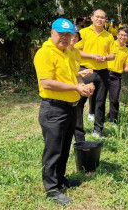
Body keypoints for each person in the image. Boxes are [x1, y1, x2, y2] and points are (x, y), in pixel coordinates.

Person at [33, 18, 93, 205]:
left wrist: (83, 86)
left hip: (70, 107)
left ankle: (60, 179)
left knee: (65, 147)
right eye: (61, 34)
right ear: (52, 33)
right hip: (54, 108)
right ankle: (51, 188)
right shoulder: (44, 54)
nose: (64, 38)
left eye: (68, 35)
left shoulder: (69, 53)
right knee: (53, 149)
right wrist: (75, 89)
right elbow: (47, 82)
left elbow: (76, 75)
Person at [75, 9, 116, 139]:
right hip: (85, 71)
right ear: (91, 18)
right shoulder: (83, 32)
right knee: (79, 102)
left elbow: (113, 55)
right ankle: (77, 131)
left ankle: (98, 130)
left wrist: (105, 58)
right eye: (97, 17)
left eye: (102, 17)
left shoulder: (108, 36)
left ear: (105, 20)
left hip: (103, 72)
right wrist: (92, 56)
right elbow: (76, 50)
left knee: (100, 102)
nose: (99, 19)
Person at [68, 25, 95, 142]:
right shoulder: (61, 52)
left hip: (75, 88)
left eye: (76, 35)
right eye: (71, 35)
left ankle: (80, 140)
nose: (73, 38)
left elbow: (75, 72)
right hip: (64, 90)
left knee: (78, 110)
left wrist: (83, 83)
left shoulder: (76, 52)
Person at [107, 28, 128, 123]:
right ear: (117, 35)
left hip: (116, 76)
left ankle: (113, 120)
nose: (123, 37)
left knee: (114, 99)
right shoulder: (110, 45)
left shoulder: (127, 51)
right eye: (121, 35)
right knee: (100, 97)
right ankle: (96, 117)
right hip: (105, 73)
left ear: (127, 37)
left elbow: (125, 68)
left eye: (125, 35)